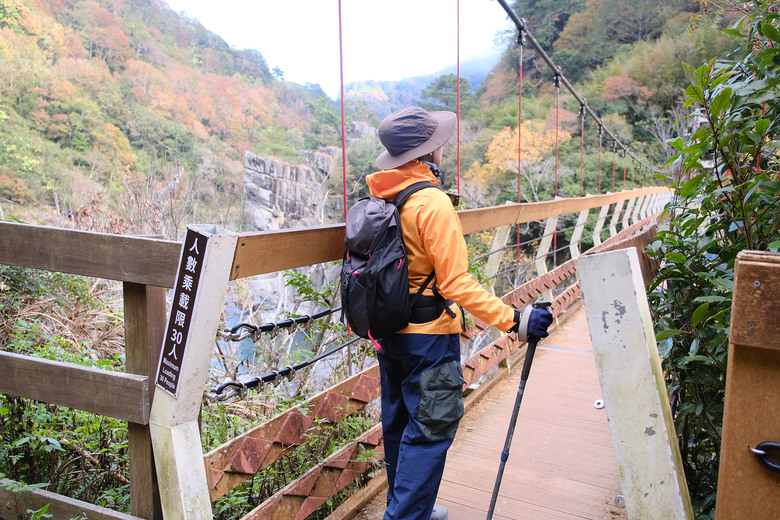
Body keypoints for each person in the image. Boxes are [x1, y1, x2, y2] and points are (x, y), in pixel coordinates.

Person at [367, 107, 554, 520]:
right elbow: (454, 283)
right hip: (429, 338)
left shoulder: (382, 196)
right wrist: (514, 319)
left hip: (390, 333)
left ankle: (412, 508)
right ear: (429, 154)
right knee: (431, 430)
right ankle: (406, 516)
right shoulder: (431, 203)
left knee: (400, 426)